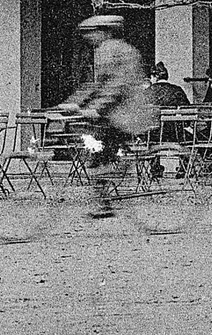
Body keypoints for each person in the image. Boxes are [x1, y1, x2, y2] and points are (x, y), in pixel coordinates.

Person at [57, 14, 160, 219]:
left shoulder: (119, 51)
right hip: (114, 110)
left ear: (104, 31)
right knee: (96, 152)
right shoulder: (103, 50)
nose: (89, 37)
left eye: (93, 32)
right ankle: (105, 195)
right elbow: (96, 84)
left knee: (100, 152)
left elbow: (117, 85)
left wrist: (96, 108)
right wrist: (74, 102)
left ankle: (115, 176)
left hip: (128, 112)